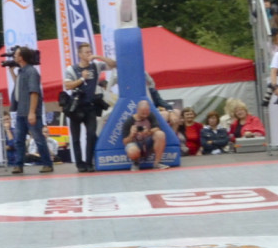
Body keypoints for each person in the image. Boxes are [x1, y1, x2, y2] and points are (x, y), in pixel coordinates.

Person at [62, 43, 114, 172]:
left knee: (91, 134)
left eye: (90, 51)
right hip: (76, 107)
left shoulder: (95, 66)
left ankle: (89, 162)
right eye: (86, 52)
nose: (89, 54)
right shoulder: (72, 69)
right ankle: (80, 163)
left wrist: (98, 56)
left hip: (90, 106)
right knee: (75, 137)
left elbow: (113, 64)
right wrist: (81, 79)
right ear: (79, 55)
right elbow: (67, 86)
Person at [9, 46, 53, 174]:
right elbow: (18, 85)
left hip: (29, 111)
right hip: (21, 111)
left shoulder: (32, 72)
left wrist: (32, 112)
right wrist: (12, 71)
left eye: (16, 55)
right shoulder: (22, 71)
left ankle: (47, 163)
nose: (14, 57)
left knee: (38, 138)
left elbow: (34, 93)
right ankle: (19, 165)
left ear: (22, 57)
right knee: (19, 140)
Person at [122, 100, 169, 169]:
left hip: (148, 143)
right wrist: (131, 135)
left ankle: (157, 163)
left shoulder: (151, 115)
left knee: (160, 134)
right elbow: (125, 142)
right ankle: (135, 163)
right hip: (136, 144)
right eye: (142, 113)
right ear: (137, 110)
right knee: (132, 151)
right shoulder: (129, 121)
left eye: (146, 113)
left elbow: (157, 128)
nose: (145, 115)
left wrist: (148, 132)